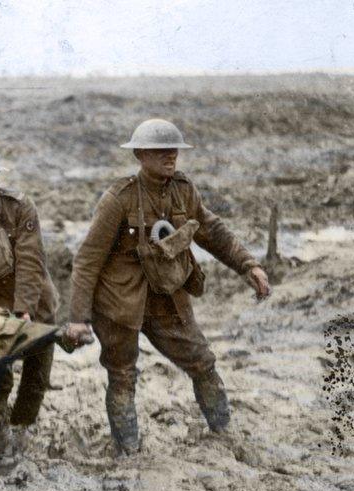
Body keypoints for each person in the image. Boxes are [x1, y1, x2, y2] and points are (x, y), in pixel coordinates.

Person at [65, 119, 271, 455]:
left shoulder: (184, 191)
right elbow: (87, 260)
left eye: (173, 150)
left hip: (167, 298)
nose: (170, 156)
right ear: (141, 155)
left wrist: (248, 265)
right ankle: (128, 452)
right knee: (122, 374)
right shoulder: (119, 199)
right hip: (119, 303)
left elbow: (212, 232)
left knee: (202, 360)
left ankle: (224, 433)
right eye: (161, 151)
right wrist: (78, 317)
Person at [0, 142, 60, 454]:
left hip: (31, 298)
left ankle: (22, 426)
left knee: (37, 374)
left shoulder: (18, 208)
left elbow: (31, 261)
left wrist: (25, 309)